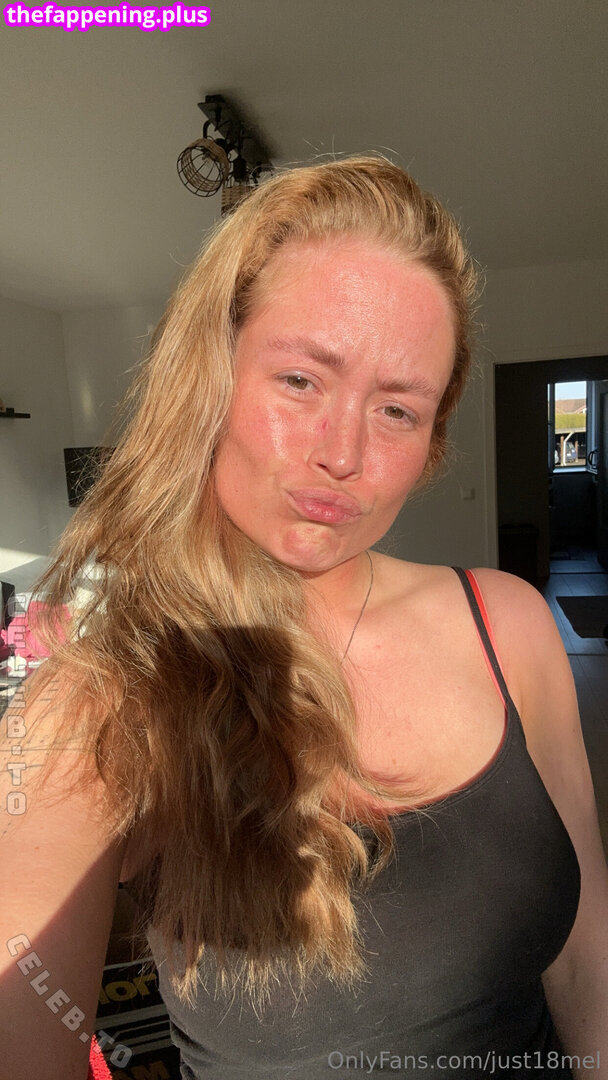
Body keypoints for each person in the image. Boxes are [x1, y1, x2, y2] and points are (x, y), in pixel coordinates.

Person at [1, 157, 606, 1080]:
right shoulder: (100, 705)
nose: (344, 453)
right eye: (299, 380)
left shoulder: (510, 623)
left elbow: (585, 953)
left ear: (433, 442)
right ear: (210, 376)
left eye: (397, 409)